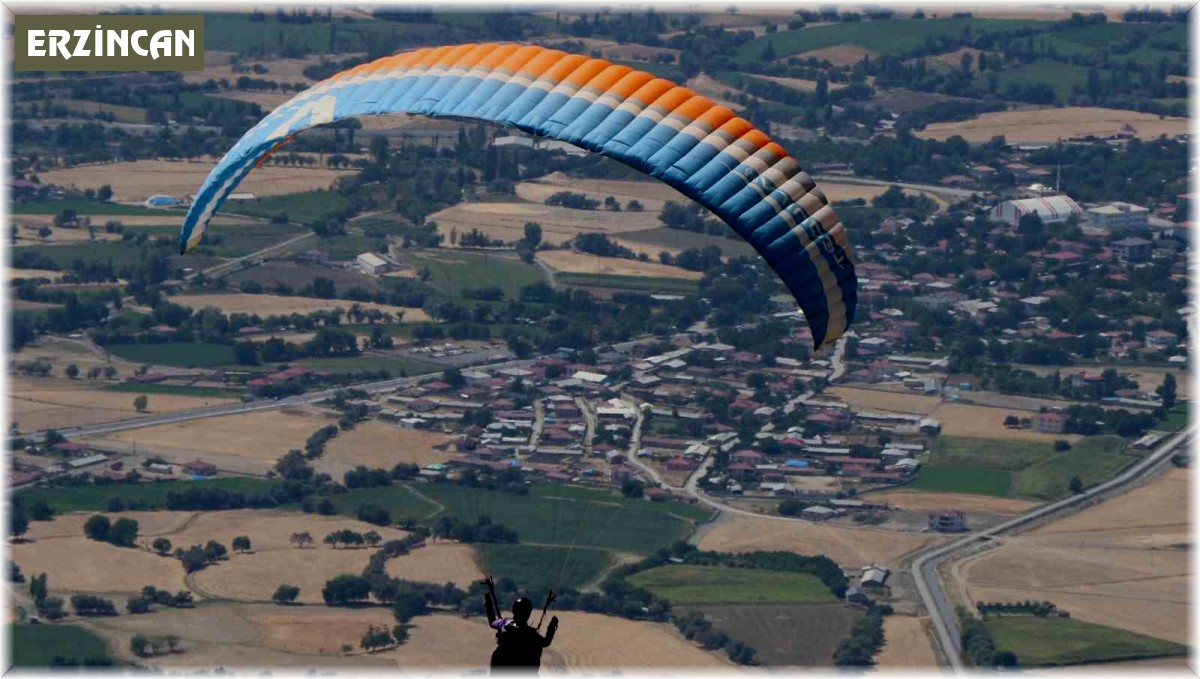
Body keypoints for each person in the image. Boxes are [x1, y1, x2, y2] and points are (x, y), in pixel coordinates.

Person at [484, 577, 558, 671]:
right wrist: (552, 627)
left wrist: (488, 602)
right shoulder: (531, 634)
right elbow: (546, 642)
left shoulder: (505, 624)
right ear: (528, 613)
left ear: (514, 610)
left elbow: (492, 621)